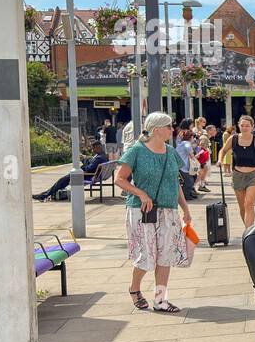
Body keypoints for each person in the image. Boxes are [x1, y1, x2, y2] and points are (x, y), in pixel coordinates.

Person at [115, 112, 192, 314]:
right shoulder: (136, 151)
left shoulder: (171, 152)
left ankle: (160, 300)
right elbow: (120, 179)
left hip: (168, 211)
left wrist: (185, 208)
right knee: (146, 256)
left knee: (165, 255)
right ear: (157, 129)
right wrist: (141, 194)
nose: (172, 130)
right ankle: (134, 288)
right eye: (169, 126)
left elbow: (175, 183)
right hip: (142, 211)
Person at [219, 115, 255, 227]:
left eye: (247, 126)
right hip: (238, 175)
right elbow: (223, 151)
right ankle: (248, 229)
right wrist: (220, 160)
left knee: (249, 204)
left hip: (254, 175)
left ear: (252, 127)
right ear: (239, 126)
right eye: (242, 125)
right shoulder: (233, 139)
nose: (244, 128)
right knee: (242, 206)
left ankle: (249, 231)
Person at [33, 140, 108, 202]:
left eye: (93, 149)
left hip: (86, 176)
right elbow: (92, 164)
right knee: (62, 181)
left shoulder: (99, 158)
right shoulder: (102, 156)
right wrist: (86, 159)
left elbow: (88, 168)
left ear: (98, 148)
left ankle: (44, 195)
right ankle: (45, 194)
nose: (92, 150)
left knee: (62, 180)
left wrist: (83, 160)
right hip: (91, 175)